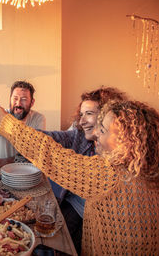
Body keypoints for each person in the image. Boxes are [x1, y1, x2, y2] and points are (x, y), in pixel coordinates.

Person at [0, 100, 159, 255]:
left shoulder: (110, 175)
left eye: (102, 130)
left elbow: (50, 154)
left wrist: (6, 123)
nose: (95, 134)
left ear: (127, 142)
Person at [32, 87, 127, 253]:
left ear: (108, 115)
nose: (82, 121)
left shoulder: (119, 150)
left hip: (97, 219)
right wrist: (10, 130)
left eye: (89, 113)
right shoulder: (80, 135)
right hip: (71, 202)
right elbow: (50, 138)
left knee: (50, 244)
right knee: (40, 238)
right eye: (81, 114)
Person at [0, 80, 46, 168]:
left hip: (27, 173)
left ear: (32, 102)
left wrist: (5, 161)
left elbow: (36, 152)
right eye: (15, 98)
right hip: (0, 172)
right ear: (10, 99)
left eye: (24, 99)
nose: (18, 103)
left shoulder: (38, 118)